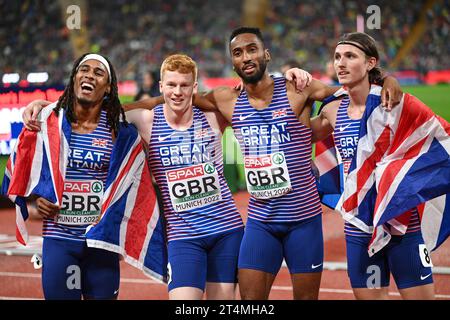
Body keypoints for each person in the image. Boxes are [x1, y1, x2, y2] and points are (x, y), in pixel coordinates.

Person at [128, 27, 402, 300]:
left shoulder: (296, 89)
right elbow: (177, 97)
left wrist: (386, 81)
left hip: (302, 221)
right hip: (261, 223)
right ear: (232, 62)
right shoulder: (226, 99)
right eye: (238, 53)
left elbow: (349, 92)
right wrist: (144, 101)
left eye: (252, 49)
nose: (246, 57)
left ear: (266, 54)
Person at [22, 54, 247, 300]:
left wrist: (293, 76)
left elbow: (258, 106)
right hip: (183, 236)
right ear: (161, 87)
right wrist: (49, 105)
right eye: (171, 85)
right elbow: (99, 109)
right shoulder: (146, 120)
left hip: (226, 230)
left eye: (184, 85)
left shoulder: (215, 117)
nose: (177, 92)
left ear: (195, 87)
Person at [305, 32, 441, 299]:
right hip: (358, 225)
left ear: (370, 63)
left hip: (401, 220)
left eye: (350, 56)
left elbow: (437, 138)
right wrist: (297, 88)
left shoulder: (394, 103)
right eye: (337, 57)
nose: (340, 63)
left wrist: (390, 79)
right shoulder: (332, 110)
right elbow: (298, 135)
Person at [4, 53, 124, 299]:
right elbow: (24, 169)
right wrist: (33, 200)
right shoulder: (49, 121)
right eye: (83, 69)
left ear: (108, 88)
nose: (89, 74)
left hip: (100, 239)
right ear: (74, 78)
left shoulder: (117, 125)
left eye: (98, 72)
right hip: (60, 238)